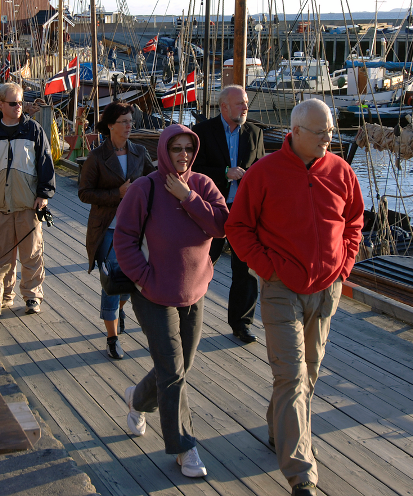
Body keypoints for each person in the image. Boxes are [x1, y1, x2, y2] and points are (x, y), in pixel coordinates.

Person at [226, 99, 364, 496]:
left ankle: (279, 430)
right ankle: (302, 474)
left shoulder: (341, 171)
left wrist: (345, 265)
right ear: (296, 132)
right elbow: (237, 227)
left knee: (310, 372)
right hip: (282, 289)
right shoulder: (264, 173)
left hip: (326, 290)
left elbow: (354, 220)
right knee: (291, 375)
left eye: (331, 131)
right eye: (321, 132)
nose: (329, 138)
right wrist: (266, 268)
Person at [114, 124, 228, 479]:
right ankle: (184, 447)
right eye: (175, 149)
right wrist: (145, 278)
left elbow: (222, 225)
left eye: (187, 149)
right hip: (153, 294)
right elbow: (124, 239)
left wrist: (188, 197)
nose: (182, 155)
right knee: (173, 372)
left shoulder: (203, 185)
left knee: (180, 366)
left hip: (194, 292)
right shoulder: (144, 189)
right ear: (164, 151)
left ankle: (137, 399)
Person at [78, 101, 156, 360]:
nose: (129, 126)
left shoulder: (139, 152)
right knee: (112, 283)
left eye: (131, 121)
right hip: (108, 230)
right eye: (124, 122)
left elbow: (153, 181)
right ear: (110, 125)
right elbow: (84, 193)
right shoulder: (97, 157)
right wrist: (117, 193)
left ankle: (118, 309)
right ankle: (112, 338)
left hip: (136, 229)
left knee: (129, 283)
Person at [0, 82, 56, 314]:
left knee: (32, 253)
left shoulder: (34, 130)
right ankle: (3, 296)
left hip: (28, 203)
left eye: (21, 102)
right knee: (0, 255)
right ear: (0, 105)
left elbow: (45, 164)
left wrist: (44, 195)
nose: (19, 107)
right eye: (13, 103)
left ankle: (32, 297)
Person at [192, 85, 265, 342]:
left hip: (243, 211)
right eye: (240, 104)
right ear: (224, 107)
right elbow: (194, 170)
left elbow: (262, 171)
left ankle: (241, 323)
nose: (245, 107)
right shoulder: (202, 132)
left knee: (245, 269)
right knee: (202, 262)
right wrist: (225, 172)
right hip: (213, 208)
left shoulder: (255, 133)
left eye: (245, 103)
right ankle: (187, 310)